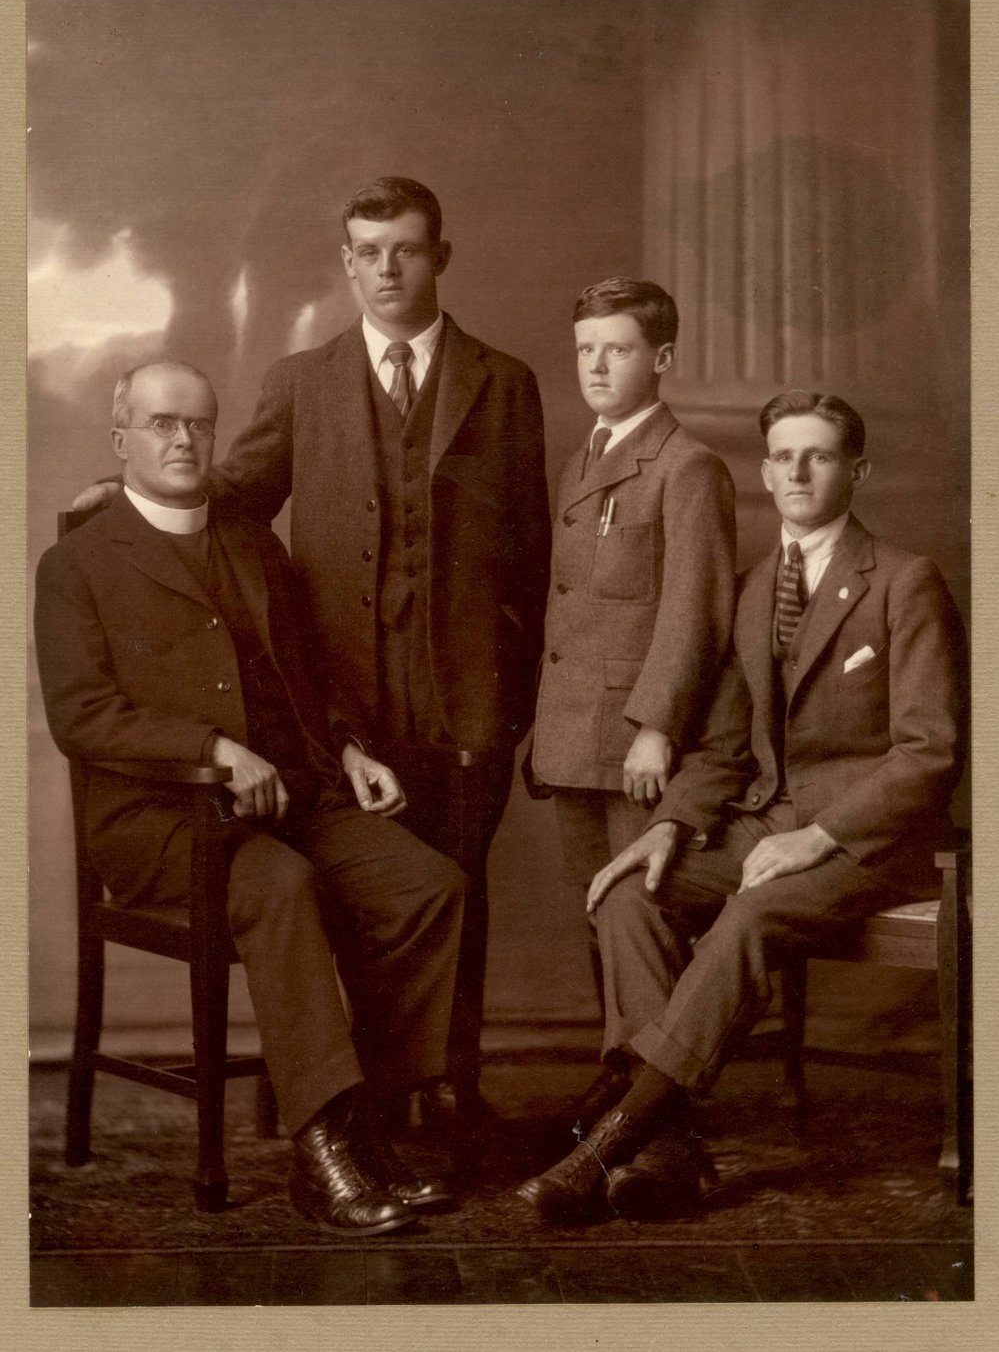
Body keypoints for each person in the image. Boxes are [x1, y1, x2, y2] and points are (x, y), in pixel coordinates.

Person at [73, 178, 551, 1122]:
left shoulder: (503, 382)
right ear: (345, 262)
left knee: (452, 892)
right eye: (367, 251)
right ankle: (364, 1106)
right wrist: (121, 491)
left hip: (463, 699)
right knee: (359, 890)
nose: (386, 268)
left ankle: (444, 1087)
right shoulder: (302, 379)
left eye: (405, 249)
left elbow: (531, 557)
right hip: (341, 698)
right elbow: (235, 494)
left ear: (439, 257)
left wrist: (512, 697)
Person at [36, 361, 468, 1236]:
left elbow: (309, 668)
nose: (183, 440)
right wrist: (210, 749)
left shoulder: (250, 540)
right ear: (121, 436)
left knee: (427, 885)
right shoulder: (76, 563)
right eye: (161, 423)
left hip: (293, 795)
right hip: (158, 820)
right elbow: (83, 717)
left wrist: (347, 748)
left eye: (198, 424)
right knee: (280, 887)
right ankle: (322, 1148)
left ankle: (369, 1121)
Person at [518, 389, 967, 1224]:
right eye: (783, 456)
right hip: (765, 817)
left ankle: (608, 1141)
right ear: (764, 470)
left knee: (749, 917)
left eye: (820, 454)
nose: (797, 470)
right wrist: (667, 827)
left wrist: (817, 837)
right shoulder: (751, 589)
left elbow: (929, 752)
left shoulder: (905, 583)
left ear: (856, 471)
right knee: (627, 892)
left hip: (869, 839)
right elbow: (724, 744)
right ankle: (666, 1143)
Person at [528, 278, 735, 1119]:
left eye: (616, 349)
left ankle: (651, 1119)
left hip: (632, 743)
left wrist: (655, 726)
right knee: (598, 922)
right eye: (585, 349)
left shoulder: (686, 466)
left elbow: (697, 609)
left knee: (636, 921)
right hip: (571, 734)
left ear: (661, 359)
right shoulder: (587, 456)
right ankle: (622, 1084)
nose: (597, 365)